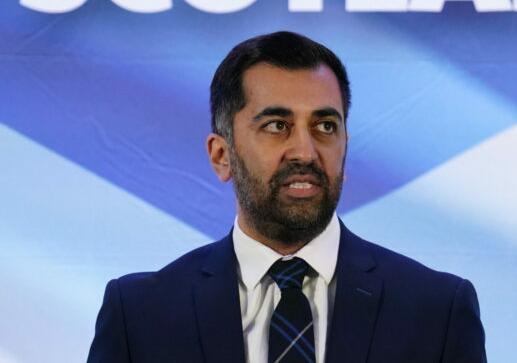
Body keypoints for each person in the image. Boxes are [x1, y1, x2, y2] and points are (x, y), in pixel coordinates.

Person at [87, 31, 486, 363]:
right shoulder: (140, 314)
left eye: (325, 126)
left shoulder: (437, 310)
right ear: (221, 155)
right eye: (277, 125)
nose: (306, 152)